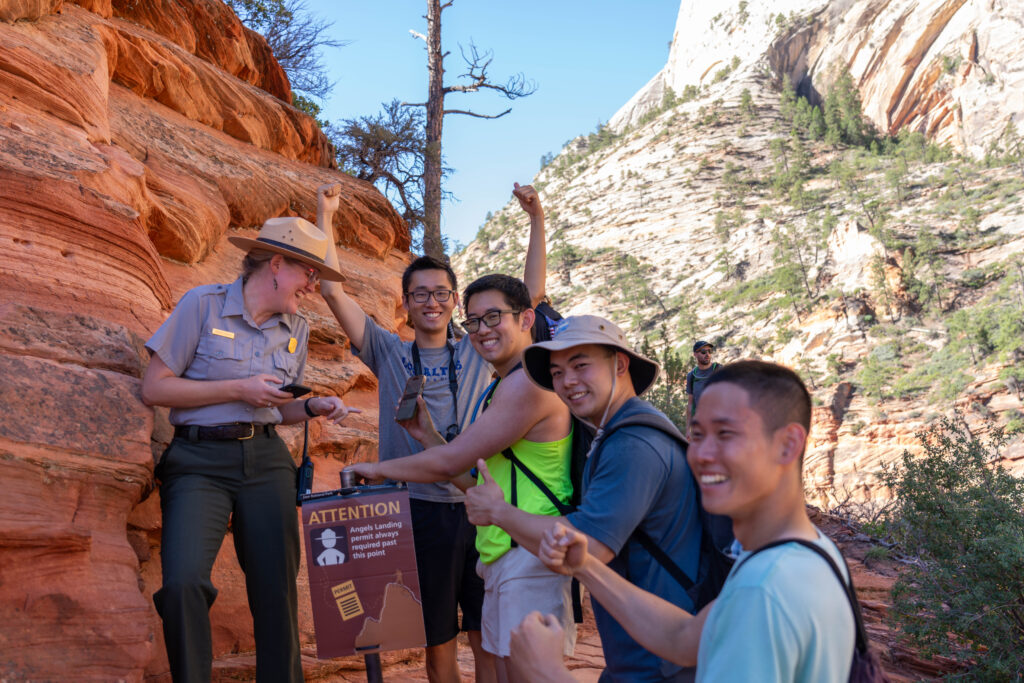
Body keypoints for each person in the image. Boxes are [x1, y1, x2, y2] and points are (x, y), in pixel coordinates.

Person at [317, 182, 548, 683]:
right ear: (405, 302)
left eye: (442, 293)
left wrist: (536, 220)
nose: (431, 302)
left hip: (481, 505)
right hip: (416, 510)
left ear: (452, 300)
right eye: (420, 294)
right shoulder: (388, 351)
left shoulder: (477, 349)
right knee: (437, 636)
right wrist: (326, 213)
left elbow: (528, 298)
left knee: (487, 636)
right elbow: (332, 289)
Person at [512, 361, 856, 683]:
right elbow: (684, 638)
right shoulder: (808, 553)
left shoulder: (762, 591)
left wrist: (548, 672)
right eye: (697, 434)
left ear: (788, 444)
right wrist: (587, 566)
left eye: (725, 434)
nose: (703, 454)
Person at [142, 216, 359, 683]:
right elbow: (154, 388)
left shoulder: (297, 329)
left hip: (266, 462)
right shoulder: (202, 305)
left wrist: (314, 406)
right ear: (277, 264)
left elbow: (276, 411)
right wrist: (238, 388)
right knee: (182, 584)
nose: (313, 285)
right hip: (198, 462)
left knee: (276, 592)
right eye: (309, 273)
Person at [345, 274, 575, 683]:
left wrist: (379, 470)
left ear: (525, 320)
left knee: (528, 673)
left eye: (493, 318)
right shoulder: (501, 387)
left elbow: (451, 460)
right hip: (503, 551)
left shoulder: (529, 385)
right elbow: (472, 479)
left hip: (530, 554)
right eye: (474, 322)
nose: (482, 330)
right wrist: (429, 436)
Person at [465, 315, 702, 682]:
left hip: (659, 665)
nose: (566, 382)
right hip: (644, 655)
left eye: (580, 365)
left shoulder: (632, 444)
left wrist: (499, 512)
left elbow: (589, 548)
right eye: (557, 372)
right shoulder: (616, 434)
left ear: (620, 364)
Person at [684, 340, 718, 435]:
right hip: (700, 424)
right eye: (703, 352)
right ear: (695, 354)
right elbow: (690, 403)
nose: (707, 354)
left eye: (709, 351)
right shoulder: (692, 375)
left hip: (718, 422)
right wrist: (688, 429)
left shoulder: (719, 369)